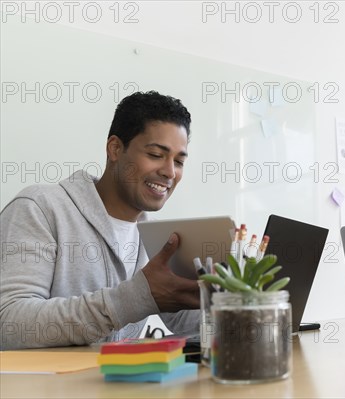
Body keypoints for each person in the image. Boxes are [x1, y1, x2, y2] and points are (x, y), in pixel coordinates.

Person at [0, 91, 201, 350]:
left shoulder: (154, 238)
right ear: (115, 148)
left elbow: (183, 316)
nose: (169, 172)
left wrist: (241, 304)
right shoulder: (40, 207)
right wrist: (134, 298)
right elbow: (9, 323)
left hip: (112, 389)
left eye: (179, 161)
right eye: (155, 154)